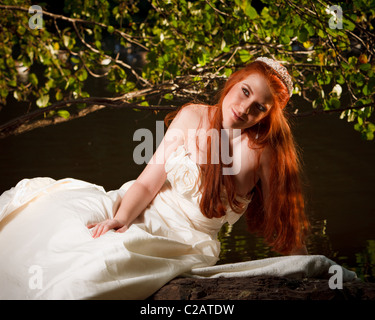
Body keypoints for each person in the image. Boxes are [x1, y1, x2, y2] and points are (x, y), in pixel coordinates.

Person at [0, 57, 309, 300]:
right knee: (50, 221)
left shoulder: (262, 152)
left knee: (93, 271)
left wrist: (306, 266)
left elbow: (284, 219)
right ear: (234, 82)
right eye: (245, 91)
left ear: (269, 115)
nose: (244, 108)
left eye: (259, 107)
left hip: (184, 241)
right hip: (138, 205)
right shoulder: (192, 116)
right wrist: (118, 220)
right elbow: (148, 182)